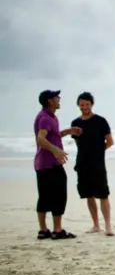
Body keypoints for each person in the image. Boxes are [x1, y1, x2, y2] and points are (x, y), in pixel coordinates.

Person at [33, 90, 81, 240]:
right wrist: (56, 151)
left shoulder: (49, 117)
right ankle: (57, 230)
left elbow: (51, 136)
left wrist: (67, 132)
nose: (59, 99)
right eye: (56, 97)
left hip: (42, 164)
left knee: (44, 196)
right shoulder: (46, 118)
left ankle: (43, 230)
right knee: (58, 196)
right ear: (50, 101)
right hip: (50, 164)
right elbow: (41, 139)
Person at [71, 92, 114, 235]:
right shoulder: (75, 123)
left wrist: (98, 152)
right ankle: (96, 225)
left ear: (92, 105)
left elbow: (110, 141)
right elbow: (78, 143)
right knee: (88, 194)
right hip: (82, 162)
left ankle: (108, 225)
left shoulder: (100, 121)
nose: (84, 107)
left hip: (97, 163)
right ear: (78, 105)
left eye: (87, 104)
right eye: (82, 105)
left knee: (103, 194)